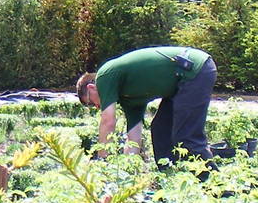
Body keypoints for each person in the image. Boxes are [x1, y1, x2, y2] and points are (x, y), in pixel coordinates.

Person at [76, 46, 217, 162]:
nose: (96, 107)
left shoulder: (104, 76)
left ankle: (216, 187)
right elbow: (134, 140)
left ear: (91, 88)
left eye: (90, 103)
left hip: (194, 70)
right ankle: (168, 178)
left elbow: (108, 121)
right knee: (160, 130)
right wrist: (127, 168)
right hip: (180, 84)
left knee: (187, 136)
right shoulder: (129, 100)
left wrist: (102, 160)